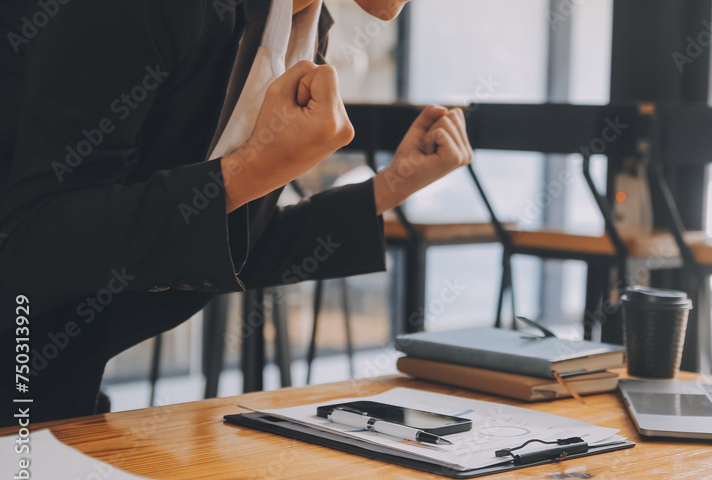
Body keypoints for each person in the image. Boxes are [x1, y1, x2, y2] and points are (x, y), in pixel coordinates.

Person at [0, 0, 472, 426]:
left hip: (57, 376)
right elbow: (28, 240)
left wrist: (393, 185)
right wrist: (247, 171)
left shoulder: (300, 30)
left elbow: (228, 240)